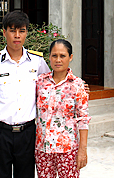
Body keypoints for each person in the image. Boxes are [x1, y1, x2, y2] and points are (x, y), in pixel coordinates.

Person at [0, 11, 50, 178]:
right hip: (0, 133)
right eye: (12, 30)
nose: (17, 35)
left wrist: (77, 87)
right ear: (4, 32)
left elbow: (51, 86)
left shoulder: (37, 62)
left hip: (28, 133)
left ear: (26, 33)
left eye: (21, 31)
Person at [35, 39, 91, 178]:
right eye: (54, 56)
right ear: (49, 57)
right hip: (43, 149)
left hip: (68, 150)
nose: (58, 60)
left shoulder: (78, 85)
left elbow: (83, 119)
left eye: (62, 56)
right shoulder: (40, 82)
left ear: (70, 57)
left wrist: (82, 150)